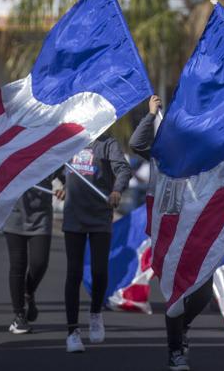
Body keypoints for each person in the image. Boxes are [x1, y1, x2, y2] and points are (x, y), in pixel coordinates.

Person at [129, 94, 212, 371]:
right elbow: (137, 143)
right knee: (175, 293)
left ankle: (182, 328)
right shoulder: (161, 153)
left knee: (202, 294)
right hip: (168, 231)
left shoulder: (206, 156)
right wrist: (152, 114)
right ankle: (175, 350)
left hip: (198, 231)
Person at [63, 132, 131, 353]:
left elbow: (123, 169)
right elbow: (52, 165)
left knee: (100, 271)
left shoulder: (108, 143)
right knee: (73, 274)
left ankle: (95, 313)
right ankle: (72, 331)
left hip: (100, 216)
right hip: (74, 216)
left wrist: (117, 190)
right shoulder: (70, 140)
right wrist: (62, 183)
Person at [4, 173, 63, 334]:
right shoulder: (9, 149)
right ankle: (19, 315)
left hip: (41, 216)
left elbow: (67, 173)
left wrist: (65, 188)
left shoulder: (48, 153)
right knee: (18, 266)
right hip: (13, 213)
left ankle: (28, 292)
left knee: (40, 263)